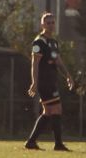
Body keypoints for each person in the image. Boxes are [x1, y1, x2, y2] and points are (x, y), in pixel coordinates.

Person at [26, 12, 74, 151]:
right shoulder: (39, 41)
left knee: (48, 112)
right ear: (42, 24)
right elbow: (35, 63)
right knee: (57, 109)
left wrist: (68, 76)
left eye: (53, 22)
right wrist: (34, 82)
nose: (51, 25)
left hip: (52, 80)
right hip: (44, 82)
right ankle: (58, 144)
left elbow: (58, 61)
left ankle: (31, 142)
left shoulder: (53, 42)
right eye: (48, 23)